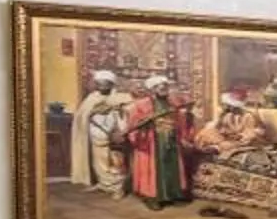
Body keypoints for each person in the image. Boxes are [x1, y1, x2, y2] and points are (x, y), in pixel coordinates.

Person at [121, 74, 195, 209]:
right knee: (153, 169)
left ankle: (173, 194)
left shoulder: (173, 104)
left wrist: (182, 136)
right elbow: (133, 123)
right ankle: (152, 197)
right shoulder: (141, 105)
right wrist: (144, 125)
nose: (164, 89)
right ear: (153, 89)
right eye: (160, 87)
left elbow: (180, 120)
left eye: (165, 86)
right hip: (151, 141)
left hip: (171, 140)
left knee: (172, 167)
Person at [75, 70, 131, 191]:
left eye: (105, 84)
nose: (102, 87)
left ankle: (118, 187)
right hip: (95, 134)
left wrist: (115, 109)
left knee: (115, 162)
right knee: (98, 161)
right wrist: (94, 112)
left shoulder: (121, 98)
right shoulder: (92, 97)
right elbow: (82, 114)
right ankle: (103, 183)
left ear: (111, 84)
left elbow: (128, 111)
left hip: (114, 135)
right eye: (99, 84)